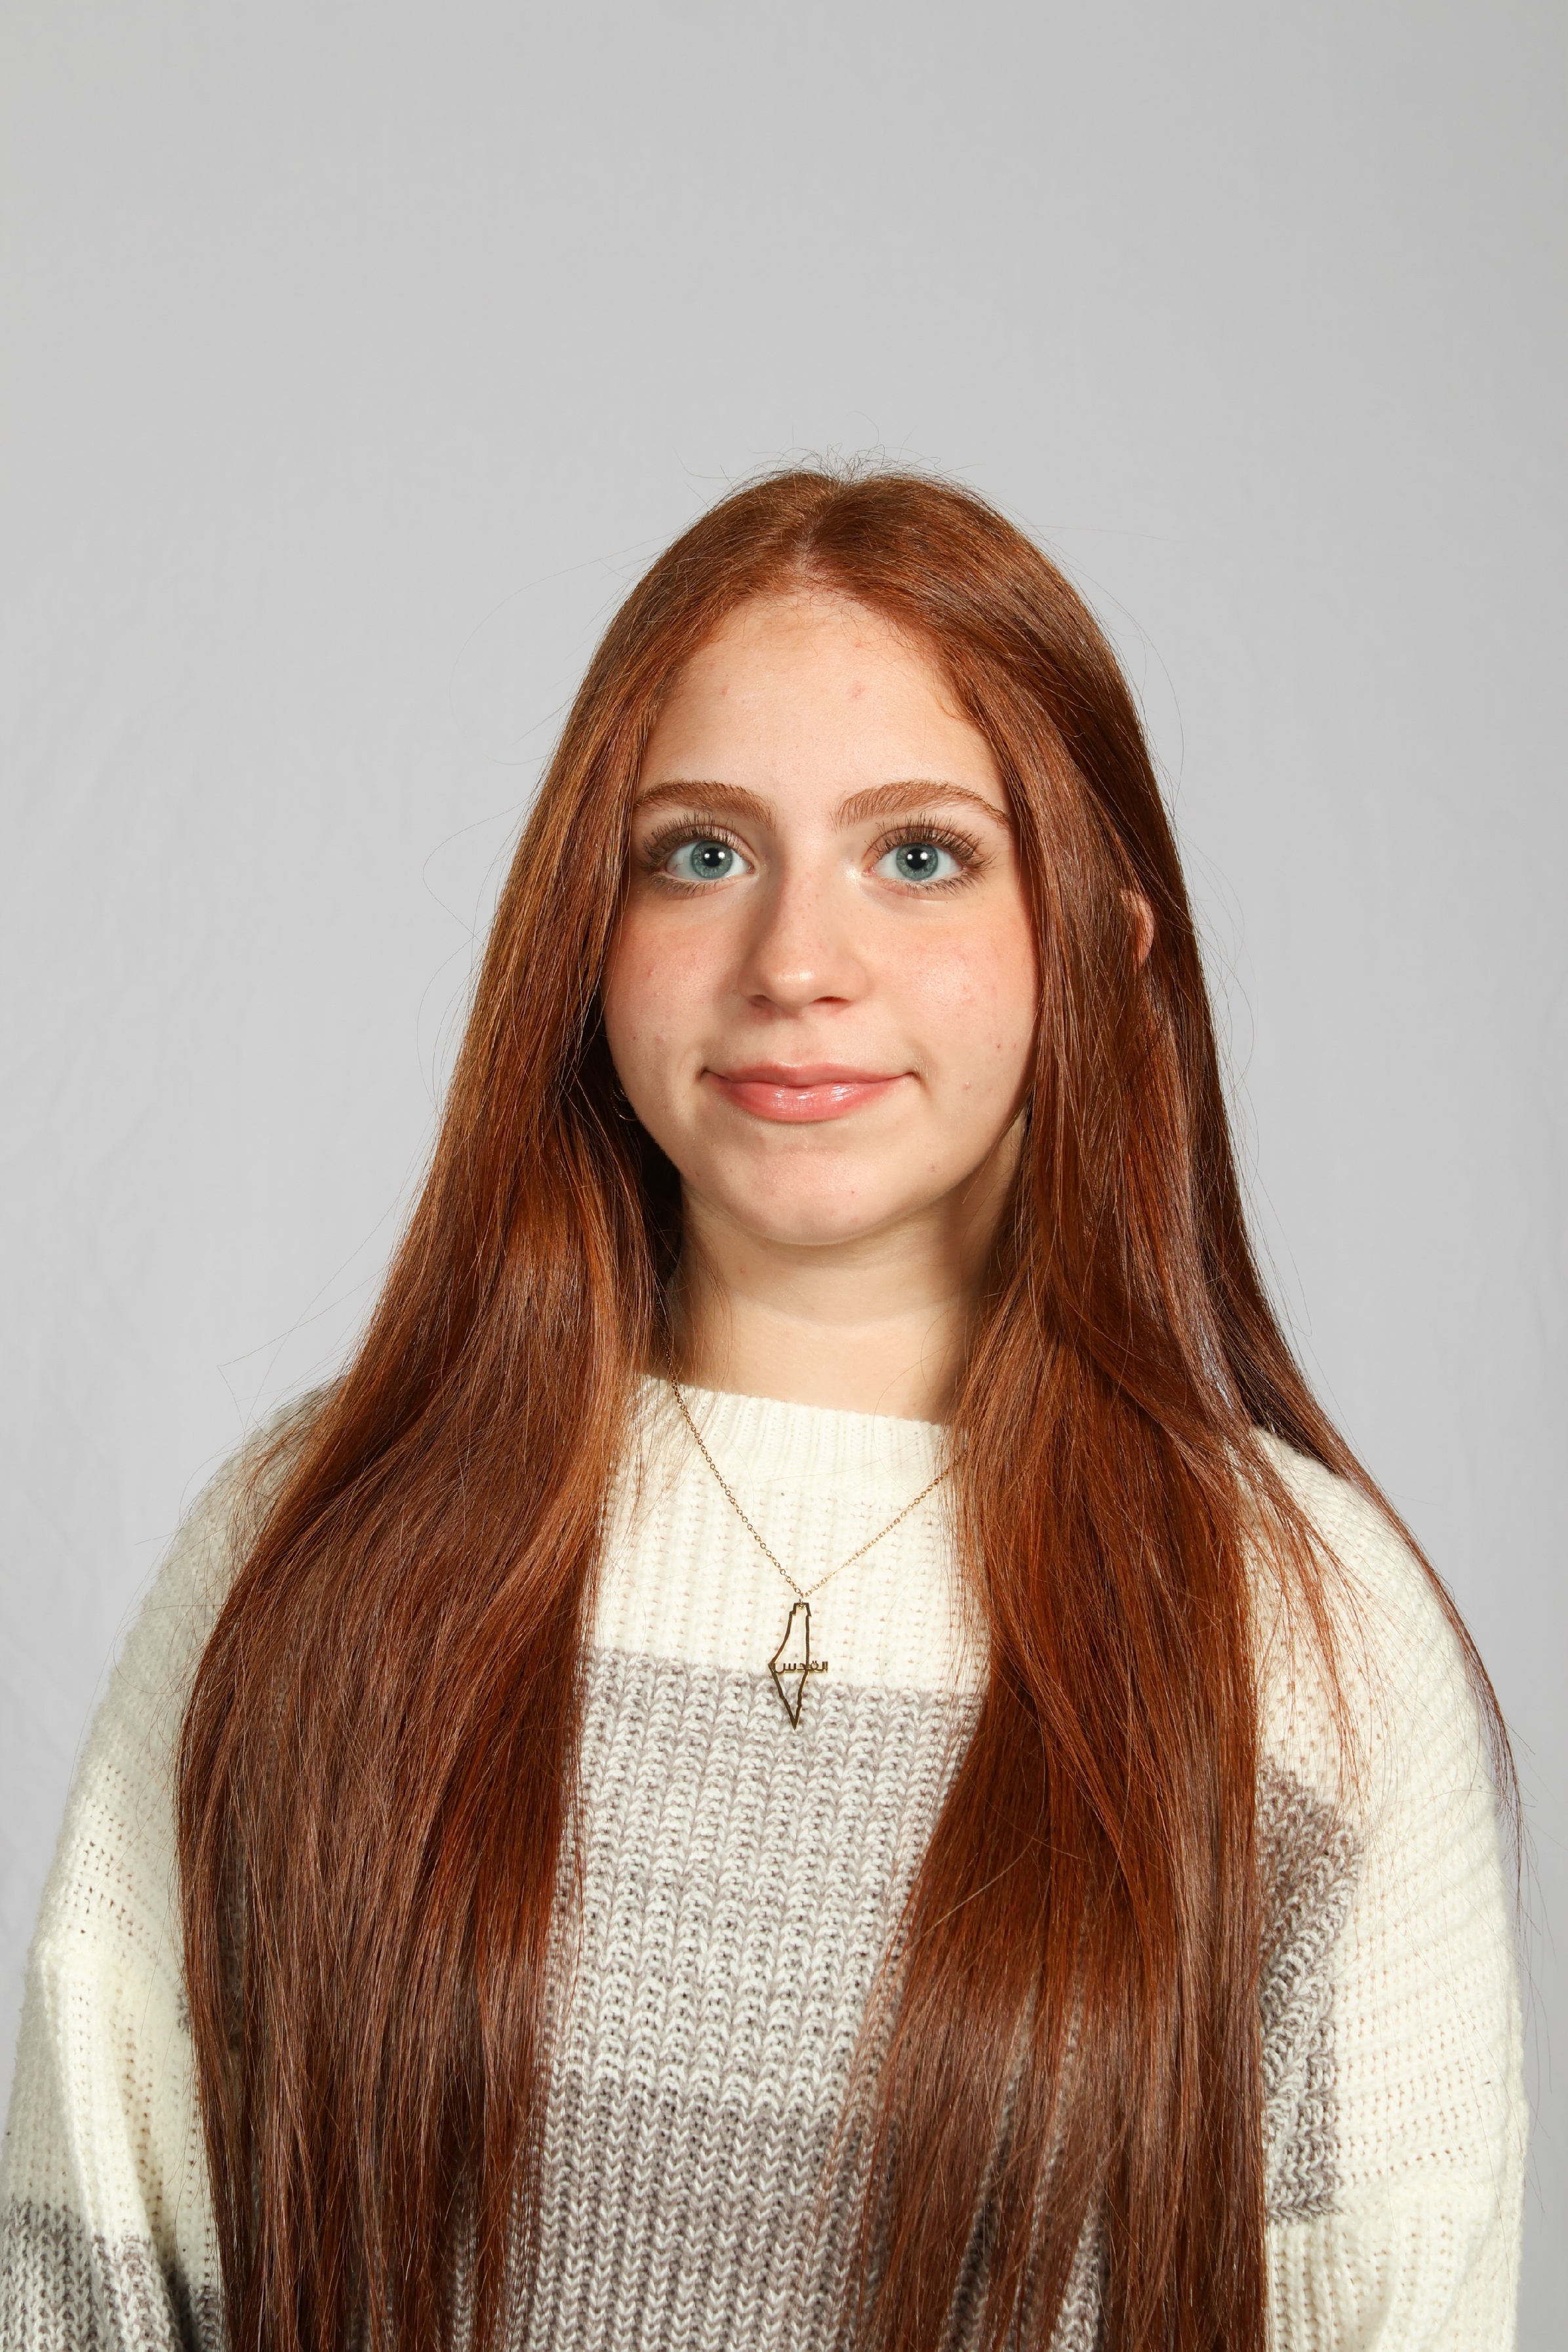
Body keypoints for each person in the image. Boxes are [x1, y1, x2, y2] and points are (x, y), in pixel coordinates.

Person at [0, 468, 1525, 2352]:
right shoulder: (308, 1542)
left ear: (1105, 946)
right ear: (586, 938)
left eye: (922, 855)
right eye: (702, 853)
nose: (797, 962)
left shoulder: (1308, 1633)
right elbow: (80, 2273)